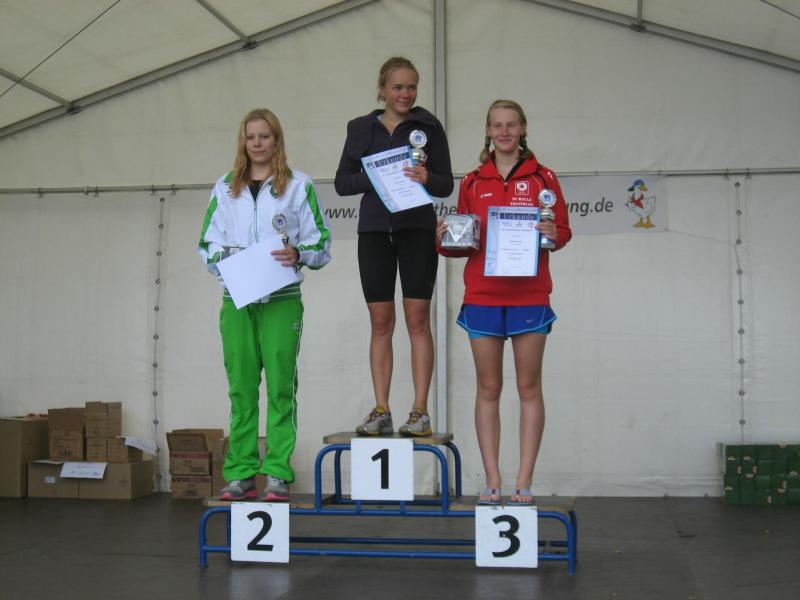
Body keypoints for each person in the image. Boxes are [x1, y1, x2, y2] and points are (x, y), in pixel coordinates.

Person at [437, 99, 571, 505]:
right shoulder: (472, 181)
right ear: (488, 131)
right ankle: (492, 480)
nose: (504, 132)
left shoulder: (544, 177)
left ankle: (524, 481)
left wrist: (553, 232)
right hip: (483, 297)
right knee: (488, 387)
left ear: (523, 128)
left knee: (529, 386)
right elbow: (464, 241)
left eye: (511, 125)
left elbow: (562, 230)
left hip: (529, 295)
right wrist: (445, 237)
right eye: (497, 125)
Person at [198, 108, 331, 501]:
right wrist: (228, 262)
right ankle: (240, 473)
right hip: (237, 299)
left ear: (277, 140)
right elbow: (206, 244)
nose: (257, 143)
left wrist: (298, 254)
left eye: (264, 136)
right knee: (240, 389)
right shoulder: (225, 188)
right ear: (242, 141)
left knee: (280, 388)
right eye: (250, 136)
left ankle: (276, 472)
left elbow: (321, 242)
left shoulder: (298, 185)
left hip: (282, 300)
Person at [335, 57, 453, 436]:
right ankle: (382, 408)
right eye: (398, 87)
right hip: (374, 232)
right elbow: (342, 183)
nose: (405, 94)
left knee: (418, 320)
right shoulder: (359, 128)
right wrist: (372, 177)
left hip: (416, 230)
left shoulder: (429, 127)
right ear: (382, 89)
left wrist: (426, 176)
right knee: (381, 322)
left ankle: (420, 411)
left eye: (412, 86)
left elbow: (445, 184)